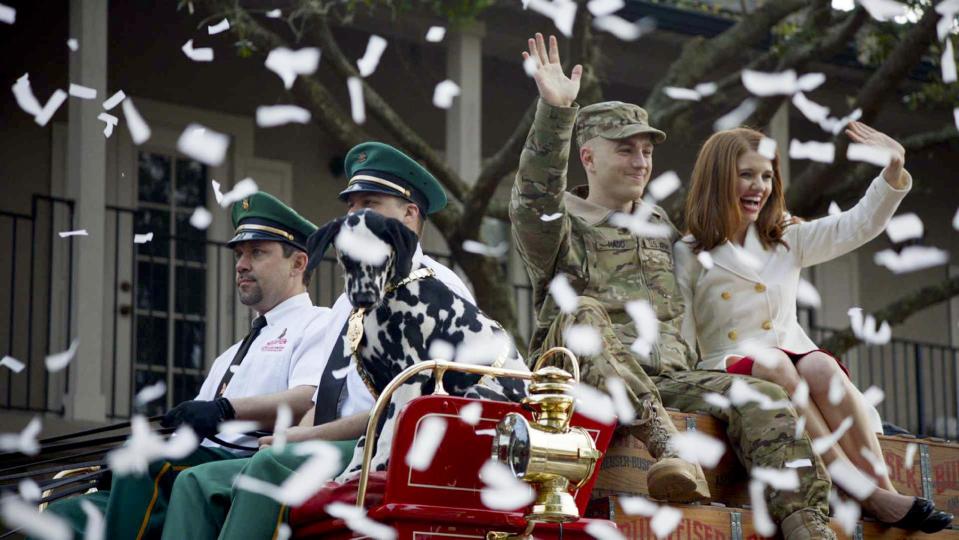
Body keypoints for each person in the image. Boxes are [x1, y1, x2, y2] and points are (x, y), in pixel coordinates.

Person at [512, 33, 833, 538]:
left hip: (667, 380)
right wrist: (555, 114)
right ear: (589, 158)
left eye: (646, 151)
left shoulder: (660, 225)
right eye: (626, 150)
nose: (641, 161)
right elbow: (531, 197)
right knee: (581, 312)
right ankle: (667, 447)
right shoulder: (558, 223)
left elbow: (725, 240)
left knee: (764, 395)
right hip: (578, 375)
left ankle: (806, 522)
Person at [160, 141, 477, 540]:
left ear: (410, 215)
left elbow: (409, 408)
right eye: (350, 206)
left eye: (370, 204)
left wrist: (297, 438)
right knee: (195, 484)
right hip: (330, 443)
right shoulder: (348, 299)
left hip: (381, 446)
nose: (353, 217)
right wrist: (290, 436)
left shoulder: (435, 288)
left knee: (269, 466)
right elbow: (324, 394)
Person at [675, 125, 953, 533]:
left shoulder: (786, 237)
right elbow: (679, 333)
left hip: (792, 363)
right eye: (746, 174)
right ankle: (863, 491)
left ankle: (884, 489)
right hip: (727, 366)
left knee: (821, 366)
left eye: (768, 176)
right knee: (776, 366)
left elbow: (855, 225)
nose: (760, 186)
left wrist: (893, 170)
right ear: (718, 178)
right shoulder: (689, 251)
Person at [43, 191, 334, 539]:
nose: (241, 264)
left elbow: (309, 399)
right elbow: (195, 429)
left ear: (298, 264)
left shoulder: (320, 323)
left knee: (146, 462)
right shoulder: (230, 354)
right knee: (63, 516)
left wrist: (225, 409)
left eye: (257, 253)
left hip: (241, 468)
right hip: (192, 467)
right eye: (240, 254)